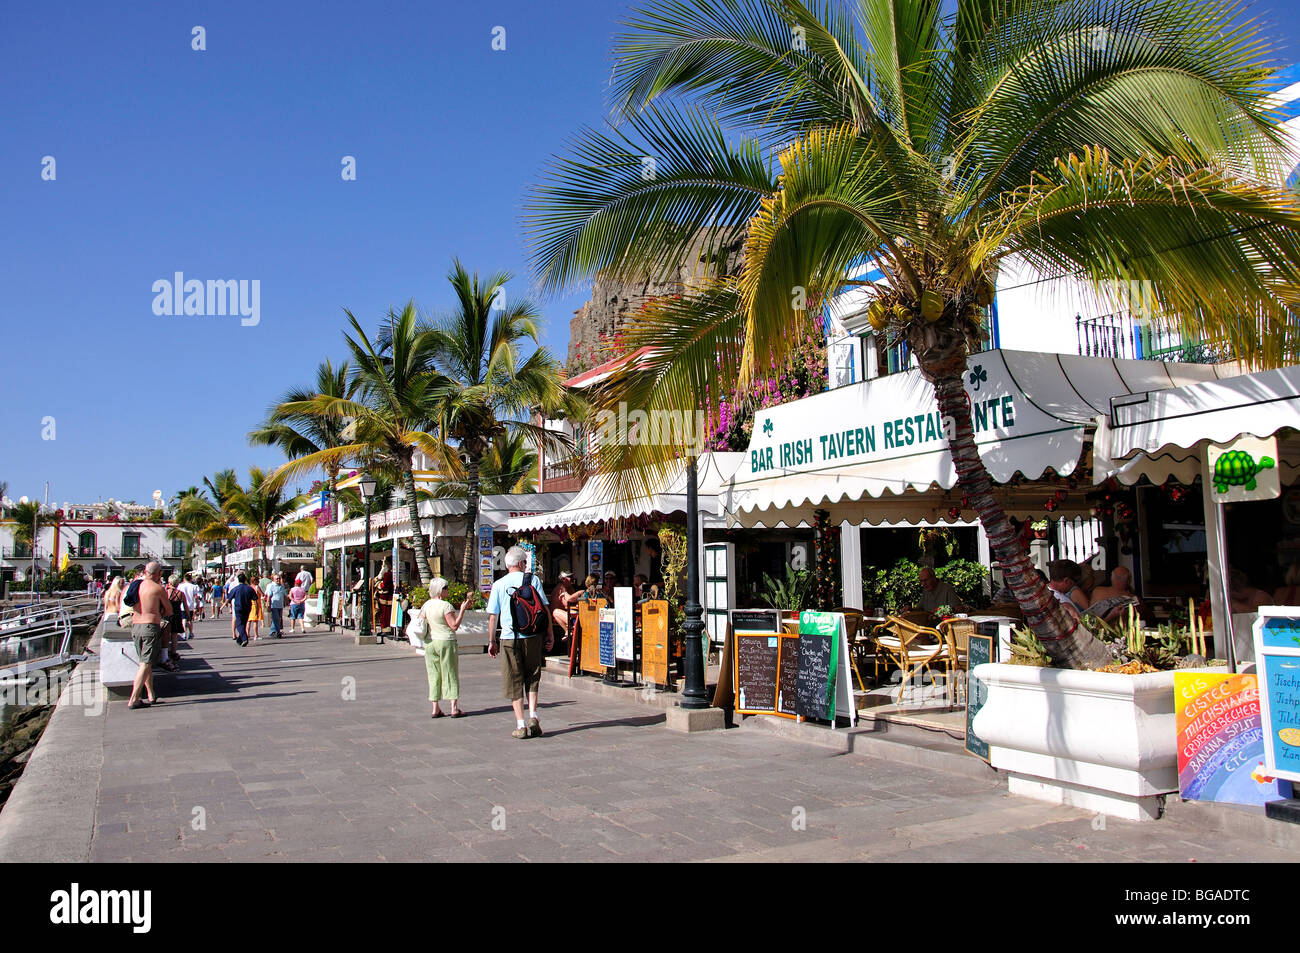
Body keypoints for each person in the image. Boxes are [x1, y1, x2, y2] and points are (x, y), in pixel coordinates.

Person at [487, 546, 550, 739]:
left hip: (509, 638)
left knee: (514, 679)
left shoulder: (499, 584)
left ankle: (520, 725)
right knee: (533, 675)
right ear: (522, 564)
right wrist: (549, 634)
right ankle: (533, 715)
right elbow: (544, 609)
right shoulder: (533, 580)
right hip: (532, 636)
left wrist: (491, 641)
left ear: (508, 565)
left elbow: (493, 616)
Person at [421, 577, 473, 718]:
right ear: (440, 590)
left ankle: (435, 707)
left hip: (430, 642)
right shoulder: (446, 606)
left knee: (433, 674)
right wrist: (462, 610)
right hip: (445, 641)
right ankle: (453, 707)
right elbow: (454, 625)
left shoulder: (426, 605)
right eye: (446, 588)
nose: (448, 590)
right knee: (450, 672)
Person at [128, 561, 172, 709]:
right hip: (150, 626)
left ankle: (151, 694)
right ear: (158, 573)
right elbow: (169, 610)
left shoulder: (135, 585)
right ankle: (134, 699)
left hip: (135, 626)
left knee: (143, 662)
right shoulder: (158, 589)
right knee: (145, 663)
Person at [227, 572, 256, 647]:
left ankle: (244, 638)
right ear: (245, 579)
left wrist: (227, 605)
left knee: (239, 624)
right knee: (244, 623)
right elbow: (255, 597)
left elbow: (229, 598)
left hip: (239, 608)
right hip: (247, 608)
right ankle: (240, 639)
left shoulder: (236, 589)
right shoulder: (249, 588)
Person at [177, 573, 201, 640]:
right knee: (189, 619)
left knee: (183, 619)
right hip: (190, 604)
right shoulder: (194, 586)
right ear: (190, 579)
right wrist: (197, 605)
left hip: (182, 605)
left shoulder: (180, 586)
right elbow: (196, 596)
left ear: (184, 579)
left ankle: (184, 633)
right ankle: (190, 633)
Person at [266, 572, 287, 638]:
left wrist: (286, 603)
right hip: (274, 605)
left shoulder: (281, 586)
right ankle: (278, 632)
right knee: (276, 619)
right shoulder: (271, 586)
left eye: (279, 578)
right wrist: (268, 604)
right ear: (273, 579)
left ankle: (272, 631)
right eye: (277, 579)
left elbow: (284, 595)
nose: (278, 580)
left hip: (280, 605)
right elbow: (269, 596)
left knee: (278, 619)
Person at [246, 573, 265, 641]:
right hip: (256, 604)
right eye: (257, 580)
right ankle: (256, 635)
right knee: (255, 621)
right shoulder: (257, 587)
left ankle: (247, 634)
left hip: (249, 604)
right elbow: (262, 594)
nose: (259, 582)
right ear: (255, 581)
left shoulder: (249, 587)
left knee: (249, 621)